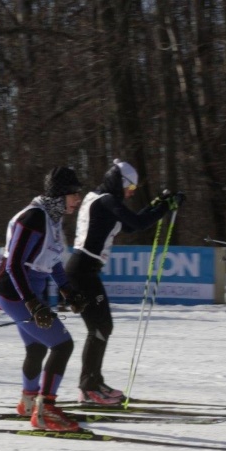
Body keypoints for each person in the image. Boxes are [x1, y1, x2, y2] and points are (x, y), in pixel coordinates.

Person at [64, 159, 177, 405]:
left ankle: (93, 383)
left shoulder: (103, 200)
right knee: (100, 327)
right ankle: (88, 387)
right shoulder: (105, 200)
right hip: (82, 271)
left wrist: (157, 204)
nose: (130, 193)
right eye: (131, 188)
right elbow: (137, 224)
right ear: (120, 182)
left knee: (102, 327)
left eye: (134, 190)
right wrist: (164, 207)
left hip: (85, 271)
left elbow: (128, 224)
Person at [0, 168, 86, 431]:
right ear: (59, 195)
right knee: (62, 345)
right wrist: (32, 302)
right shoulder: (33, 217)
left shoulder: (52, 219)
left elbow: (52, 260)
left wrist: (67, 290)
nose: (77, 199)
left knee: (37, 347)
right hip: (15, 290)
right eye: (74, 193)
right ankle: (46, 411)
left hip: (26, 290)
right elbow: (14, 264)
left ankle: (29, 402)